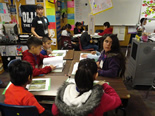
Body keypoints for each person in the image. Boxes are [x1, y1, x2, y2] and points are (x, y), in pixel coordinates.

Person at [52, 59, 121, 116]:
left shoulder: (64, 92)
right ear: (96, 75)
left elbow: (54, 112)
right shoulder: (99, 97)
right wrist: (105, 85)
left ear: (77, 72)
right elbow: (117, 101)